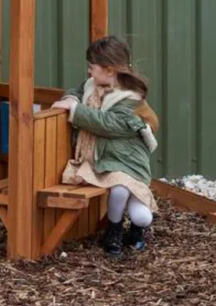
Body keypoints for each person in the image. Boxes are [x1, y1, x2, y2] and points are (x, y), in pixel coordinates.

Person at [51, 35, 159, 257]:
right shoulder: (92, 84)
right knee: (118, 192)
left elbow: (108, 124)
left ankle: (137, 230)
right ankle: (114, 232)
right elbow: (76, 91)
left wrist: (75, 111)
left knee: (141, 215)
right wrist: (71, 98)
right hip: (106, 158)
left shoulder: (130, 99)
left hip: (128, 161)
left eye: (92, 67)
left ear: (109, 70)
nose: (89, 72)